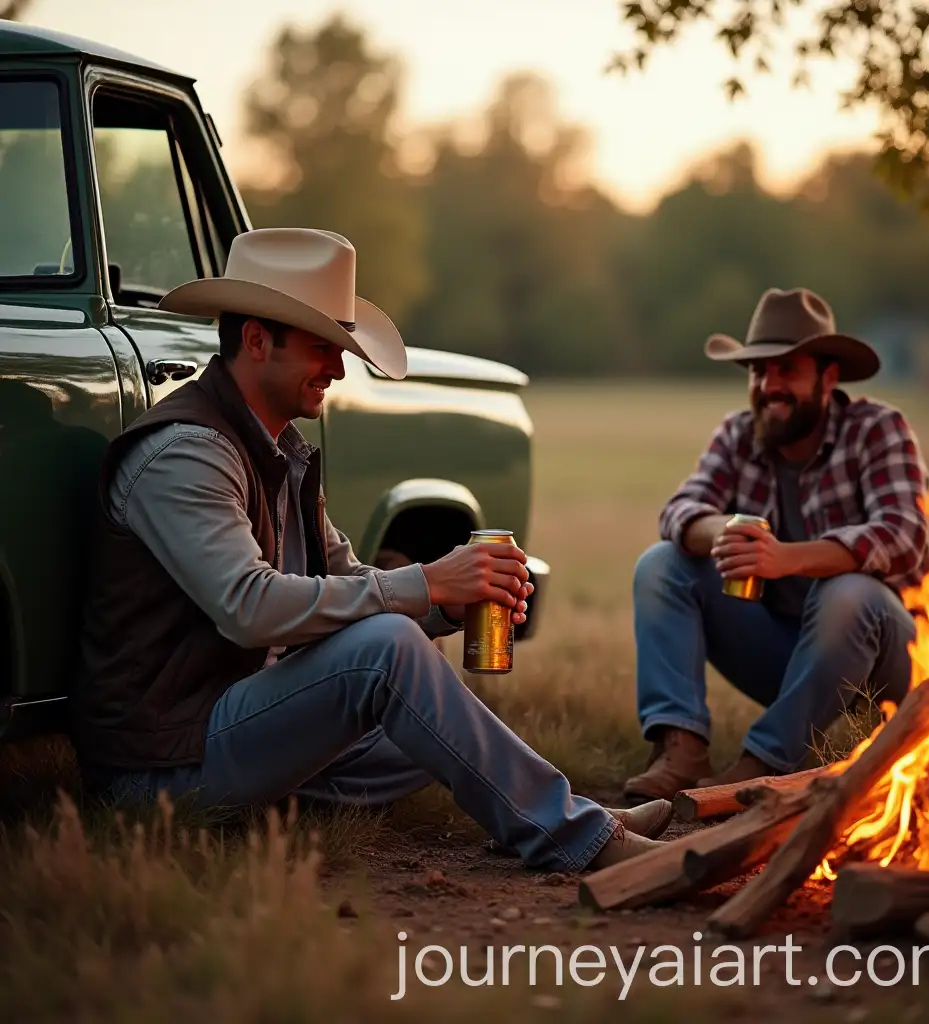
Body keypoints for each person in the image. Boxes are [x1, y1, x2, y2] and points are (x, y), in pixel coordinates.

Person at [73, 227, 673, 872]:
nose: (336, 368)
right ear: (255, 340)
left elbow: (350, 583)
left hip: (225, 723)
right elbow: (248, 608)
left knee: (431, 727)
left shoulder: (276, 451)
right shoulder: (187, 453)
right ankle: (578, 836)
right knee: (388, 652)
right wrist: (428, 582)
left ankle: (552, 809)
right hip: (158, 768)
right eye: (319, 348)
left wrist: (453, 607)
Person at [622, 287, 929, 802]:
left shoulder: (877, 429)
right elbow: (678, 512)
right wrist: (721, 531)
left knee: (849, 591)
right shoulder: (739, 433)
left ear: (828, 377)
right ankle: (680, 747)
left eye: (786, 369)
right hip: (789, 657)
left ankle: (764, 762)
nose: (769, 386)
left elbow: (904, 534)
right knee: (662, 565)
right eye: (757, 371)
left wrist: (789, 558)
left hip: (888, 661)